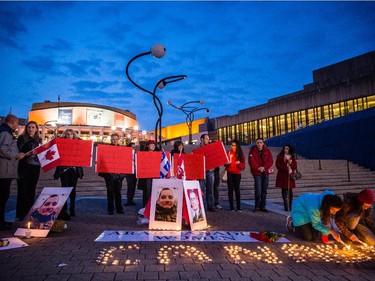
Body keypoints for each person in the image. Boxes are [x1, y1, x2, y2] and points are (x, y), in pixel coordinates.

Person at [0, 114, 24, 230]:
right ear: (12, 121)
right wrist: (16, 155)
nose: (17, 125)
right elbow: (3, 149)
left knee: (3, 196)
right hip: (4, 170)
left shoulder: (4, 131)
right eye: (17, 122)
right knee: (2, 196)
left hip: (5, 169)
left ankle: (2, 220)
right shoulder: (6, 133)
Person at [53, 129, 84, 220]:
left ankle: (72, 209)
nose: (68, 136)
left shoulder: (78, 143)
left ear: (73, 135)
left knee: (73, 189)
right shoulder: (61, 144)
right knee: (64, 189)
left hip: (74, 170)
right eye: (67, 134)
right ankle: (64, 209)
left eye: (70, 134)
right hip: (64, 170)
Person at [16, 121, 42, 220]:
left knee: (32, 189)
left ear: (36, 129)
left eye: (33, 127)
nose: (30, 129)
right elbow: (19, 152)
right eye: (29, 127)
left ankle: (30, 212)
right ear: (26, 129)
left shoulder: (38, 140)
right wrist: (27, 153)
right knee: (23, 189)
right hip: (25, 167)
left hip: (35, 167)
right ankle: (22, 214)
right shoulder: (22, 138)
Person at [99, 134, 125, 215]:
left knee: (118, 192)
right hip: (109, 174)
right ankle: (110, 209)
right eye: (113, 139)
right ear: (111, 140)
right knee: (110, 192)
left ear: (118, 140)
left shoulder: (122, 149)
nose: (115, 140)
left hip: (118, 175)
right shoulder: (106, 149)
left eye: (116, 139)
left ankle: (119, 208)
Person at [248, 138, 274, 212]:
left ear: (263, 143)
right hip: (257, 172)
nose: (259, 144)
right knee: (258, 189)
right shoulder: (252, 151)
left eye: (260, 142)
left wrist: (264, 167)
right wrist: (258, 168)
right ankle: (257, 206)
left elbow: (270, 161)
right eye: (257, 142)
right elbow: (251, 162)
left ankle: (263, 206)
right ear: (256, 143)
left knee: (264, 189)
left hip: (265, 172)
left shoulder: (267, 150)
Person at [225, 140, 245, 212]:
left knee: (237, 190)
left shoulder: (240, 154)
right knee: (230, 189)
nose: (233, 147)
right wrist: (227, 163)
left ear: (237, 146)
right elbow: (225, 162)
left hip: (237, 173)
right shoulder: (228, 152)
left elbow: (243, 164)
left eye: (234, 145)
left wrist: (239, 163)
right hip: (229, 172)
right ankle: (231, 207)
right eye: (232, 145)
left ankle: (238, 207)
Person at [275, 144, 297, 211]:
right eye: (284, 148)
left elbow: (295, 166)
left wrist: (291, 163)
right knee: (284, 190)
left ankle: (290, 206)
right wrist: (285, 168)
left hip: (290, 176)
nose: (285, 150)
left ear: (289, 149)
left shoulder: (292, 157)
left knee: (290, 191)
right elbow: (278, 165)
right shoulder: (280, 156)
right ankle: (285, 206)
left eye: (287, 149)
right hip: (282, 175)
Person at [138, 140, 160, 207]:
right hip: (146, 176)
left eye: (154, 145)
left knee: (155, 191)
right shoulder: (143, 154)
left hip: (155, 176)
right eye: (151, 145)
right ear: (147, 146)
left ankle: (153, 206)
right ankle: (146, 206)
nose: (153, 146)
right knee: (147, 192)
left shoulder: (158, 154)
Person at [199, 134, 215, 212]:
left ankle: (210, 206)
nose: (208, 140)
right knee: (202, 190)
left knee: (210, 189)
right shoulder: (198, 149)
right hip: (202, 172)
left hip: (210, 171)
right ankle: (202, 206)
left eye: (208, 139)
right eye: (206, 139)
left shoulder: (210, 148)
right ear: (201, 139)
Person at [124, 142, 137, 206]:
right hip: (129, 172)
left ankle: (131, 200)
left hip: (135, 172)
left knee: (134, 186)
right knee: (130, 186)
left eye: (134, 147)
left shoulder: (136, 154)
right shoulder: (126, 154)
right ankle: (129, 200)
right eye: (132, 147)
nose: (133, 148)